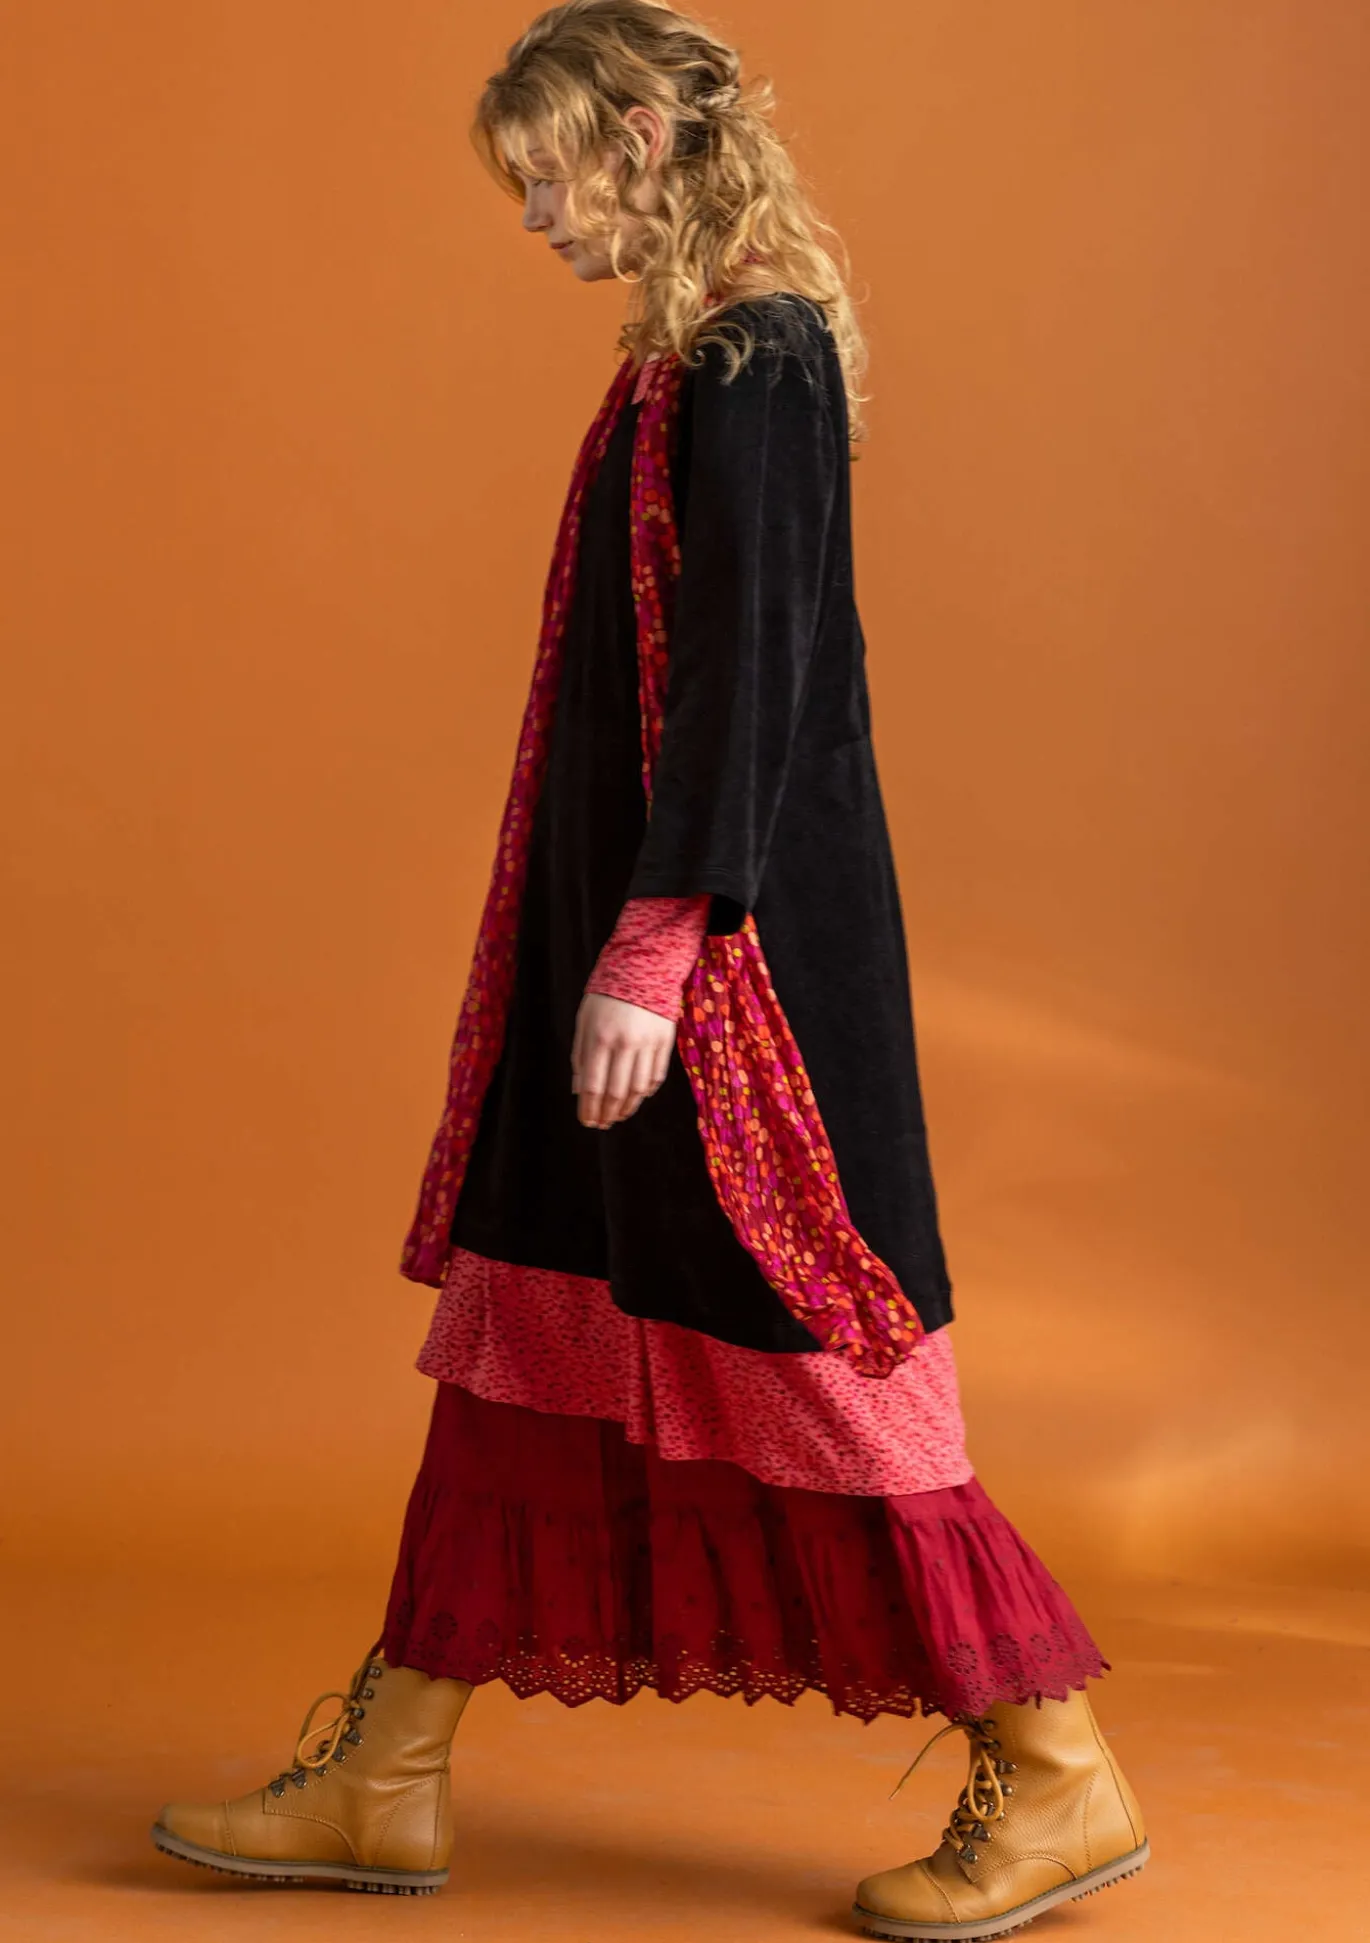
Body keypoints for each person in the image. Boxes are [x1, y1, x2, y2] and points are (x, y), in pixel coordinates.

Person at [150, 4, 1148, 1937]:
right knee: (527, 1325)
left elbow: (749, 677)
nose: (532, 218)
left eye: (544, 175)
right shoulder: (682, 357)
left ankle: (1055, 1770)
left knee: (812, 1355)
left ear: (632, 130)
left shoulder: (756, 351)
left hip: (719, 972)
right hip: (619, 943)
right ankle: (391, 1770)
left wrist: (655, 943)